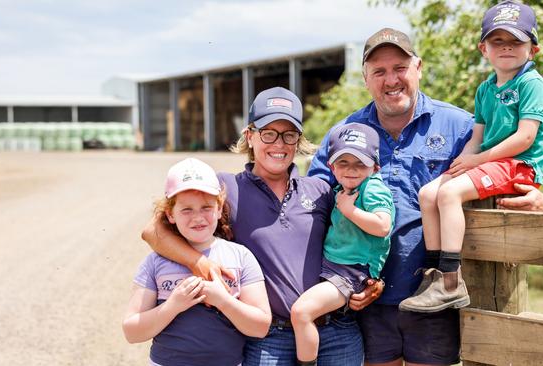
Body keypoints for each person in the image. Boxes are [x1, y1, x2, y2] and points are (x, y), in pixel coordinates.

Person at [307, 27, 543, 366]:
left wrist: (540, 199)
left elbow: (504, 167)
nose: (391, 79)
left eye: (400, 68)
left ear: (418, 68)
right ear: (365, 79)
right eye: (379, 71)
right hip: (367, 297)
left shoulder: (459, 126)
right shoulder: (344, 135)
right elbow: (313, 208)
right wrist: (340, 283)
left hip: (433, 297)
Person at [142, 87, 373, 366]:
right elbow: (153, 231)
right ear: (249, 136)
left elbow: (357, 239)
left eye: (289, 135)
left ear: (298, 141)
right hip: (270, 339)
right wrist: (197, 262)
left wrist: (371, 283)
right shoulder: (226, 188)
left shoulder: (321, 190)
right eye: (268, 133)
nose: (279, 144)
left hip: (337, 332)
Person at [399, 0, 543, 313]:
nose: (506, 48)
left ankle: (452, 281)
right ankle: (433, 275)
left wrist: (476, 161)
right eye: (498, 41)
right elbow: (476, 138)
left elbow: (525, 137)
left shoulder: (531, 84)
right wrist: (461, 162)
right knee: (429, 193)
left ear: (533, 50)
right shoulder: (485, 89)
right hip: (492, 162)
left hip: (519, 165)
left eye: (516, 41)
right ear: (484, 49)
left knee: (450, 194)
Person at [123, 158, 271, 366]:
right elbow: (131, 331)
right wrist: (173, 305)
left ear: (219, 209)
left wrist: (223, 300)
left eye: (206, 207)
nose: (198, 217)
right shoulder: (155, 263)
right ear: (170, 214)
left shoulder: (240, 257)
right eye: (186, 209)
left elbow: (261, 327)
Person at [291, 123, 395, 365]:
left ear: (375, 166)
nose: (351, 170)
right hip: (336, 266)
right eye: (343, 163)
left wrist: (349, 210)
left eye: (360, 163)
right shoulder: (343, 188)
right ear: (331, 166)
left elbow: (382, 226)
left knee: (301, 312)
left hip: (351, 271)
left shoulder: (372, 188)